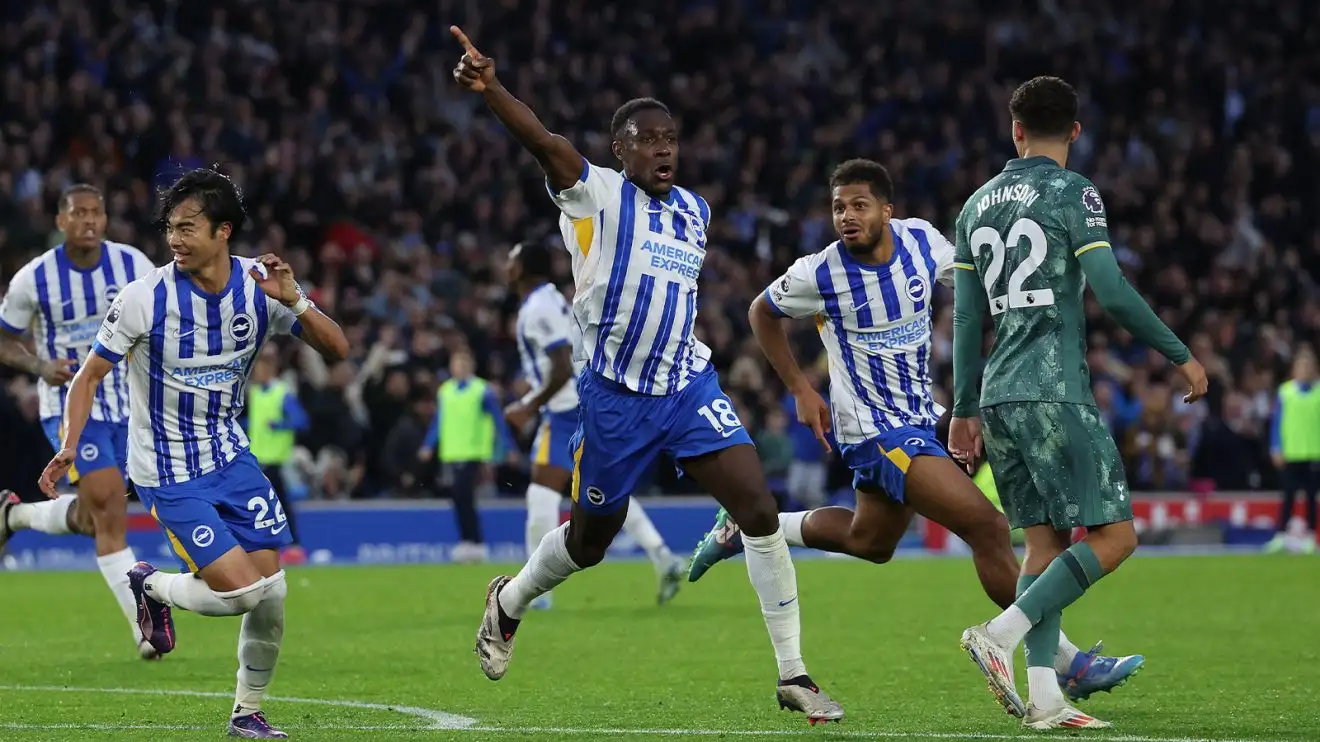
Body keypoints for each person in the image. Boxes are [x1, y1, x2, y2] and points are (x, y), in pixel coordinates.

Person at [449, 26, 842, 723]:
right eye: (647, 138)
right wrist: (492, 89)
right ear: (620, 149)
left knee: (756, 505)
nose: (663, 148)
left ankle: (794, 672)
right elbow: (544, 142)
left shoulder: (696, 211)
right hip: (614, 399)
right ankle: (508, 601)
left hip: (687, 385)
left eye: (671, 139)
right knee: (590, 540)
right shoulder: (593, 194)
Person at [687, 158, 1142, 708]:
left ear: (887, 210)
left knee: (869, 541)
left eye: (859, 205)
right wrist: (801, 390)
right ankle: (1067, 663)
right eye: (838, 207)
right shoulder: (819, 272)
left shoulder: (923, 243)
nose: (847, 217)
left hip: (920, 417)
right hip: (877, 434)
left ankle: (750, 527)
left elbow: (978, 278)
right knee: (987, 525)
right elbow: (762, 311)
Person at [38, 168, 348, 739]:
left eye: (188, 227)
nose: (175, 239)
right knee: (240, 595)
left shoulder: (260, 284)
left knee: (272, 596)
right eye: (170, 228)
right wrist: (67, 445)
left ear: (223, 230)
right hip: (167, 469)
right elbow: (86, 378)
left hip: (231, 458)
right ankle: (150, 584)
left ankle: (246, 713)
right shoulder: (143, 297)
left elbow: (339, 349)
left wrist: (297, 300)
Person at [949, 76, 1207, 730]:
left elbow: (965, 319)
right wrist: (1180, 353)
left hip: (999, 396)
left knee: (1042, 546)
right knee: (1117, 537)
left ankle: (1045, 699)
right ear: (1075, 131)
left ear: (1014, 130)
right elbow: (1113, 293)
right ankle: (998, 634)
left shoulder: (975, 206)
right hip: (1052, 389)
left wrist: (962, 406)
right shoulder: (1073, 192)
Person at [0, 183, 158, 659]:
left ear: (106, 219)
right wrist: (40, 367)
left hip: (130, 405)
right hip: (72, 407)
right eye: (79, 213)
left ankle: (15, 514)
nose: (88, 220)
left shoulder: (134, 265)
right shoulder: (35, 278)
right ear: (61, 220)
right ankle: (144, 627)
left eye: (97, 212)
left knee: (95, 517)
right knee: (110, 504)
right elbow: (4, 339)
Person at [503, 240, 686, 610]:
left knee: (540, 492)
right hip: (582, 404)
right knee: (601, 491)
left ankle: (536, 594)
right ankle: (662, 556)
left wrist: (527, 404)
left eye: (511, 259)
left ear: (523, 268)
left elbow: (558, 365)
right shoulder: (550, 298)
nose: (505, 266)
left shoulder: (538, 307)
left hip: (565, 410)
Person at [418, 347, 514, 563]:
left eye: (463, 364)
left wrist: (508, 447)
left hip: (474, 451)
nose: (459, 368)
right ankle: (467, 541)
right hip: (452, 451)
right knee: (458, 497)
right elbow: (438, 421)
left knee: (463, 493)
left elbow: (498, 420)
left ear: (470, 367)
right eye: (456, 364)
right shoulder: (446, 391)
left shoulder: (482, 390)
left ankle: (475, 542)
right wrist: (428, 444)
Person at [246, 347, 309, 564]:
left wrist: (280, 425)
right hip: (257, 460)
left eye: (262, 368)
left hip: (277, 461)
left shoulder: (281, 393)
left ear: (271, 369)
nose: (258, 373)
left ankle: (293, 546)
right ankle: (269, 546)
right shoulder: (254, 393)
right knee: (263, 506)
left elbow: (301, 421)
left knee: (280, 505)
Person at [1265, 347, 1320, 553]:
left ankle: (1311, 536)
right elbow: (1277, 423)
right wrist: (1276, 447)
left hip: (1314, 453)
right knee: (1288, 495)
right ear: (1294, 369)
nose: (1304, 370)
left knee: (1311, 497)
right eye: (1300, 366)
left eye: (1308, 367)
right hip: (1291, 453)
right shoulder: (1285, 392)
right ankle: (1280, 535)